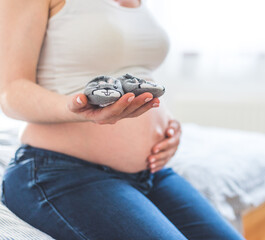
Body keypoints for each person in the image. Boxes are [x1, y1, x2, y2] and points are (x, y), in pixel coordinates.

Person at [0, 0, 245, 239]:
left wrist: (166, 125)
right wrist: (76, 107)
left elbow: (132, 69)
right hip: (61, 172)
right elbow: (10, 92)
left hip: (152, 173)